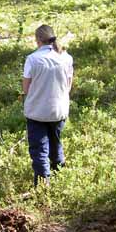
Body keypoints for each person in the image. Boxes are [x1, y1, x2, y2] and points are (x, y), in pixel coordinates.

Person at [23, 25, 73, 188]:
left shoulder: (32, 59)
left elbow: (26, 89)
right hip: (58, 110)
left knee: (39, 149)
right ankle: (61, 176)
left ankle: (44, 185)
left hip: (37, 111)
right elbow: (68, 86)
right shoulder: (65, 58)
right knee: (55, 142)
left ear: (37, 40)